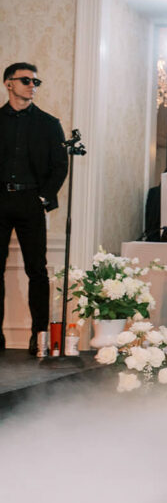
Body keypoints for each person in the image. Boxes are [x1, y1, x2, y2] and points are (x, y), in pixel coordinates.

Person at [0, 62, 68, 355]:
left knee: (37, 270)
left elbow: (60, 166)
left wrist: (43, 197)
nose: (32, 86)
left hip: (31, 201)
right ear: (9, 83)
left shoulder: (49, 124)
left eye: (35, 82)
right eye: (26, 80)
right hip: (0, 199)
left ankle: (39, 336)